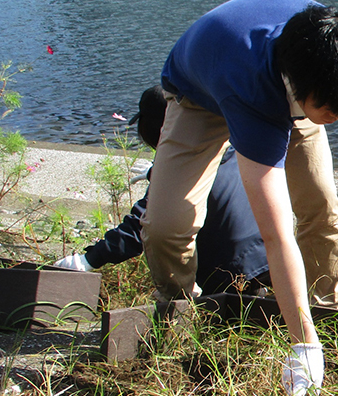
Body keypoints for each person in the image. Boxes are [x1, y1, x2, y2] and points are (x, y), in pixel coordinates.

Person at [141, 0, 338, 396]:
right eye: (332, 109)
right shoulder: (252, 89)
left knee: (321, 209)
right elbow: (276, 236)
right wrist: (301, 348)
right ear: (299, 90)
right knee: (166, 225)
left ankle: (322, 313)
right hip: (201, 93)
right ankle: (180, 320)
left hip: (286, 83)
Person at [55, 87, 270, 295]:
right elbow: (211, 182)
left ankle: (184, 301)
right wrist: (155, 174)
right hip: (268, 260)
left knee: (167, 244)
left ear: (160, 129)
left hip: (225, 275)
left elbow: (144, 222)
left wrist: (87, 260)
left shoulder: (181, 168)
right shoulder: (229, 145)